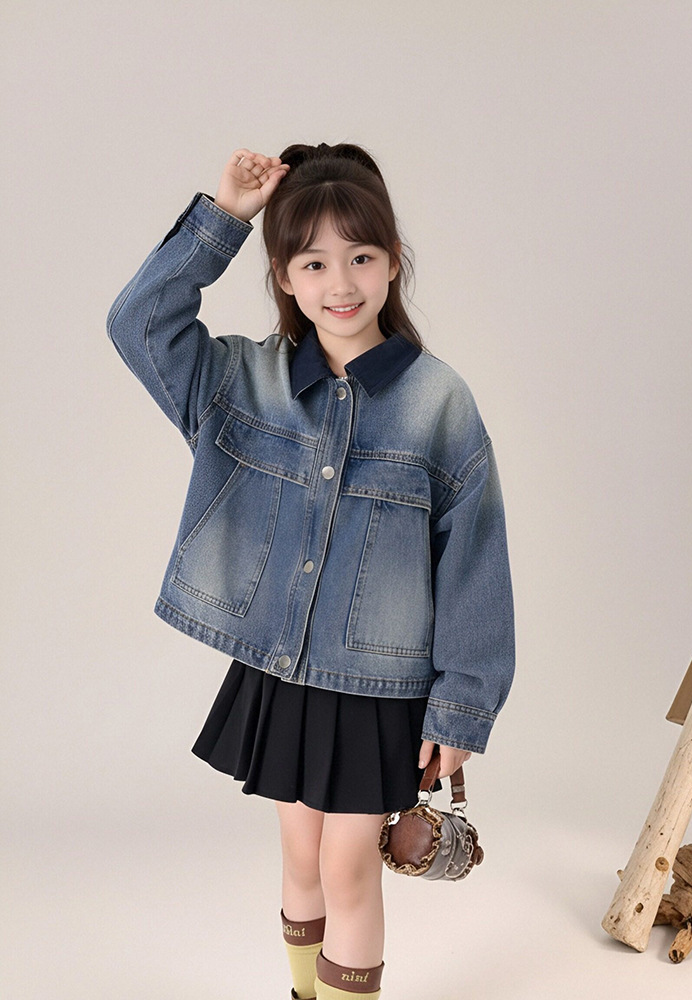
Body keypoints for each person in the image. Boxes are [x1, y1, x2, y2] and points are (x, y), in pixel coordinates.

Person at [106, 143, 515, 1000]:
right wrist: (225, 217)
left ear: (393, 262)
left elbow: (475, 560)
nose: (341, 283)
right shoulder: (238, 381)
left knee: (346, 866)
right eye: (315, 263)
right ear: (284, 278)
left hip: (378, 684)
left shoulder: (439, 401)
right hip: (282, 671)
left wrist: (462, 704)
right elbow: (138, 321)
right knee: (300, 857)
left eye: (361, 257)